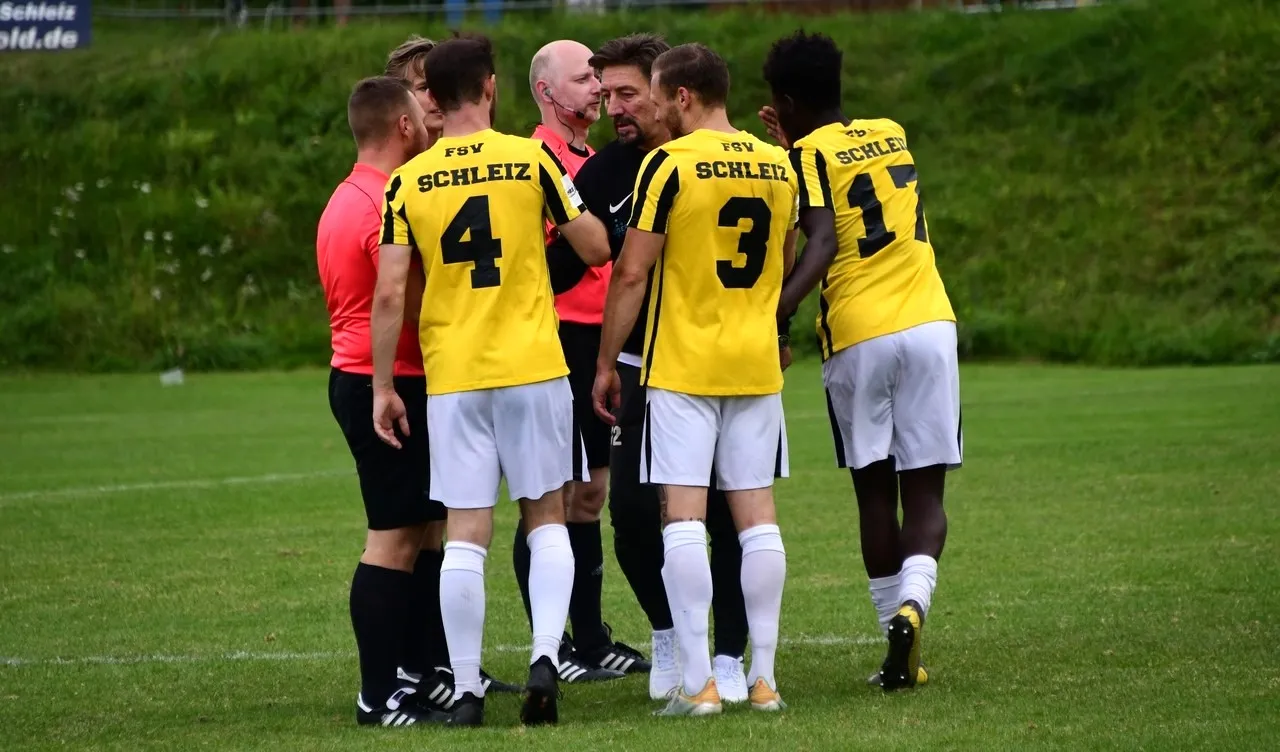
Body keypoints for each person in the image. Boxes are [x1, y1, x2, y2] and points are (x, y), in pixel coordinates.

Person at [372, 33, 611, 727]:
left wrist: (385, 384)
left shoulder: (407, 181)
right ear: (490, 89)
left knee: (466, 530)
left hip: (455, 375)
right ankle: (544, 656)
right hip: (535, 365)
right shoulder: (531, 156)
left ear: (433, 102)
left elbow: (390, 293)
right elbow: (593, 246)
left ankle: (469, 689)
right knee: (546, 517)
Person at [591, 43, 797, 717]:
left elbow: (631, 270)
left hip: (684, 364)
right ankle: (762, 680)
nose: (647, 106)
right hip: (755, 363)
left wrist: (605, 361)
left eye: (653, 94)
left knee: (682, 517)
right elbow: (784, 256)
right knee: (755, 518)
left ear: (682, 96)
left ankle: (699, 682)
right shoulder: (777, 162)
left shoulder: (668, 163)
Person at [553, 32, 753, 703]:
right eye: (605, 95)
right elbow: (563, 263)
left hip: (719, 364)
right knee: (633, 513)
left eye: (628, 94)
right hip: (640, 365)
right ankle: (669, 633)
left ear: (670, 95)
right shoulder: (604, 172)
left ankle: (728, 656)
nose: (615, 108)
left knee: (725, 513)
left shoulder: (718, 160)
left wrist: (775, 325)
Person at [760, 30, 962, 691]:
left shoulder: (805, 156)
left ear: (785, 103)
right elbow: (846, 173)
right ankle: (915, 608)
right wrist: (798, 140)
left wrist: (778, 311)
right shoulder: (891, 131)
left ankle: (894, 646)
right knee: (926, 490)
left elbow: (820, 239)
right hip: (930, 322)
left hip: (858, 333)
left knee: (874, 492)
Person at [379, 35, 522, 703]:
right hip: (435, 369)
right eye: (416, 84)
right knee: (419, 530)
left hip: (448, 367)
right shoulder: (391, 186)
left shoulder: (416, 180)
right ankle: (421, 667)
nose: (430, 101)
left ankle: (446, 669)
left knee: (444, 527)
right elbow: (392, 290)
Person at [510, 39, 647, 683]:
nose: (597, 87)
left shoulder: (595, 159)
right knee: (550, 494)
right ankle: (558, 641)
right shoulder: (535, 159)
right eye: (584, 77)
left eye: (601, 75)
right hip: (559, 340)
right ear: (547, 92)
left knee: (590, 493)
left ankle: (588, 640)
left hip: (604, 341)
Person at [317, 75, 443, 728]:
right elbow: (400, 298)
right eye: (421, 117)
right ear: (401, 127)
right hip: (383, 384)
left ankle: (415, 678)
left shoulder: (346, 196)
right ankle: (378, 695)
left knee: (418, 533)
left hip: (367, 377)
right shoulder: (381, 203)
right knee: (391, 541)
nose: (429, 126)